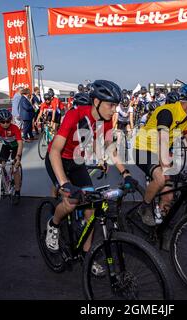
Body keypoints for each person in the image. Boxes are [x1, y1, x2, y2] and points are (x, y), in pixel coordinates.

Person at [45, 80, 137, 276]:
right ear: (96, 101)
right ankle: (53, 225)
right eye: (111, 105)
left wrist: (126, 173)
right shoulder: (75, 115)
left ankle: (87, 257)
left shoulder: (103, 121)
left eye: (116, 106)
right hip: (58, 159)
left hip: (76, 162)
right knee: (70, 202)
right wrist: (65, 183)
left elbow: (110, 148)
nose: (114, 110)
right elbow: (54, 151)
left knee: (91, 211)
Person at [133, 84, 187, 226]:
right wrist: (167, 168)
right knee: (161, 178)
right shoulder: (167, 112)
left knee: (169, 196)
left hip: (161, 151)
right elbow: (162, 140)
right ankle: (144, 207)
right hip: (143, 149)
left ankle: (161, 224)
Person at [0, 109, 23, 205]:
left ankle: (17, 191)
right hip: (6, 146)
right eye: (3, 122)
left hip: (16, 147)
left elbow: (20, 143)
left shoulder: (15, 128)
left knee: (14, 169)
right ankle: (4, 180)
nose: (6, 124)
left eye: (8, 121)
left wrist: (18, 157)